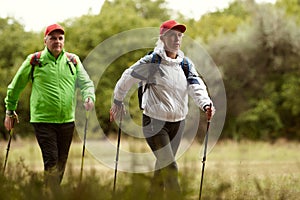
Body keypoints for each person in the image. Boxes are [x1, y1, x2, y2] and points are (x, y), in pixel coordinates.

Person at [110, 19, 215, 199]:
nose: (177, 39)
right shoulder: (152, 61)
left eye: (180, 35)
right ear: (162, 38)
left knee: (163, 168)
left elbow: (196, 86)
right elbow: (127, 77)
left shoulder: (185, 64)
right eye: (172, 35)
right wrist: (118, 101)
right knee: (171, 167)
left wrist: (206, 103)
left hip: (178, 123)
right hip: (154, 123)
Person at [4, 23, 95, 189]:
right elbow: (15, 86)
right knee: (51, 160)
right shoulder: (35, 61)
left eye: (60, 38)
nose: (57, 41)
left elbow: (86, 82)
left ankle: (48, 192)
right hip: (43, 120)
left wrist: (89, 96)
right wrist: (10, 110)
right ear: (45, 40)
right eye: (53, 38)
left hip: (67, 120)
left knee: (60, 164)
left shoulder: (72, 61)